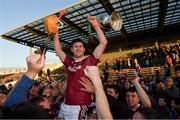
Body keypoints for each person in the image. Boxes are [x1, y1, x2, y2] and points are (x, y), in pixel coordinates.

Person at [54, 15, 107, 119]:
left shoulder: (90, 60)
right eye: (75, 46)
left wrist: (95, 25)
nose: (78, 48)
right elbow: (57, 49)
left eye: (80, 46)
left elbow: (103, 43)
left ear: (83, 49)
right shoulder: (68, 61)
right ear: (72, 50)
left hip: (80, 105)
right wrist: (55, 30)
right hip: (65, 104)